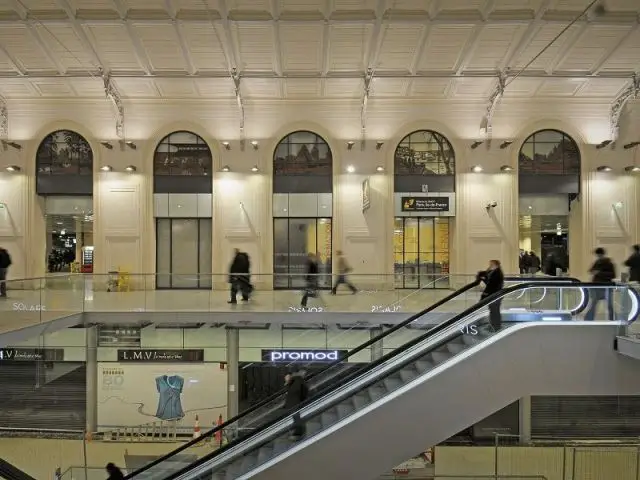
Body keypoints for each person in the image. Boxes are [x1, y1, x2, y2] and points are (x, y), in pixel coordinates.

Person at [585, 247, 616, 321]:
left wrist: (599, 273)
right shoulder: (600, 262)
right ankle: (611, 319)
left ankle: (589, 319)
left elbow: (613, 275)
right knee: (606, 304)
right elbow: (591, 270)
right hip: (602, 286)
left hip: (602, 286)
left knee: (600, 304)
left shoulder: (606, 263)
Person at [477, 259, 504, 331]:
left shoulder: (497, 273)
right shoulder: (493, 271)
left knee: (495, 311)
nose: (490, 266)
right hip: (493, 295)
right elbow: (487, 279)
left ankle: (496, 326)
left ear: (496, 265)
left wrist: (485, 293)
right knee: (492, 311)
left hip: (495, 295)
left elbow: (492, 285)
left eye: (491, 265)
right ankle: (493, 325)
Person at [284, 371, 309, 441]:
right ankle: (297, 432)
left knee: (296, 418)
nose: (286, 379)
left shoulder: (296, 382)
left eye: (287, 377)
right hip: (293, 404)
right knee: (296, 418)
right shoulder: (295, 382)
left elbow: (296, 392)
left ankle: (298, 433)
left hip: (295, 403)